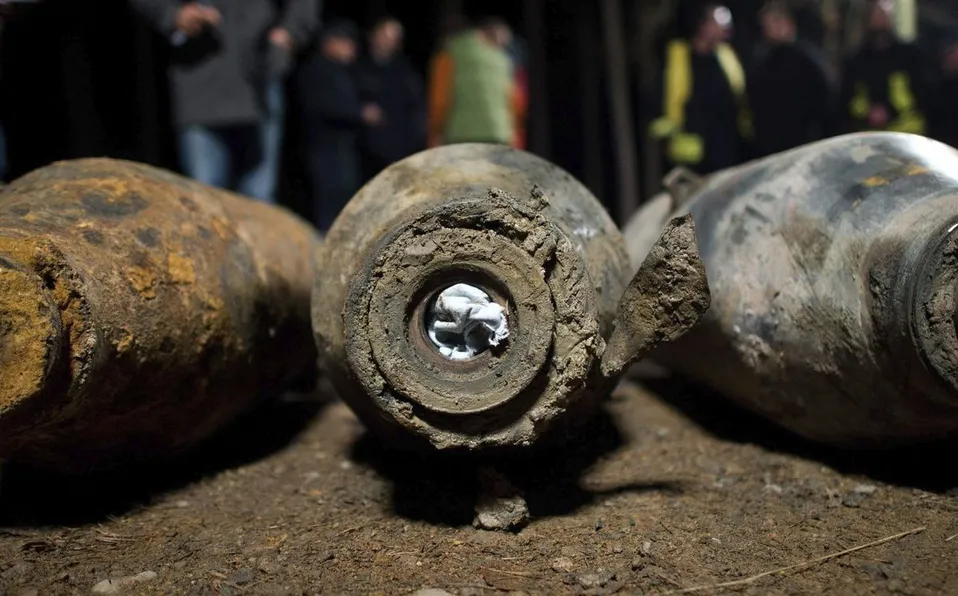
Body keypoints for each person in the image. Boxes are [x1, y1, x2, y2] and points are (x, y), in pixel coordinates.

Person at [130, 0, 319, 203]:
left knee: (258, 200)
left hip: (259, 73)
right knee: (205, 197)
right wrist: (172, 14)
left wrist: (290, 32)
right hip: (199, 74)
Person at [298, 19, 381, 232]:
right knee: (329, 206)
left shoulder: (347, 72)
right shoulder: (316, 70)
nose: (351, 49)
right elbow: (322, 106)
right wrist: (359, 113)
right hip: (324, 150)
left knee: (347, 205)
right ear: (330, 43)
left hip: (345, 149)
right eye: (346, 43)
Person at [650, 2, 752, 175]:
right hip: (691, 151)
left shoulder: (726, 55)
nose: (725, 30)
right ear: (703, 25)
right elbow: (661, 100)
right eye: (718, 25)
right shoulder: (679, 56)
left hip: (726, 147)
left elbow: (739, 95)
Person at [748, 1, 837, 157]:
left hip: (805, 147)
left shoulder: (808, 59)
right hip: (771, 151)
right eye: (766, 24)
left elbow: (826, 100)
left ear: (788, 22)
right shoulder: (762, 61)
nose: (770, 29)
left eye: (774, 21)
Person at [426, 16, 526, 148]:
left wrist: (435, 132)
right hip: (499, 134)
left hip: (460, 134)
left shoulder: (449, 53)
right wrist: (514, 136)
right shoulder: (503, 60)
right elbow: (516, 102)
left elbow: (440, 97)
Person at [840, 0, 931, 135]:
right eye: (875, 15)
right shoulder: (856, 60)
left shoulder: (910, 56)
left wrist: (890, 111)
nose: (879, 19)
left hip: (907, 136)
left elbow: (923, 94)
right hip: (869, 137)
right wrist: (869, 113)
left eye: (883, 15)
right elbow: (848, 99)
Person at [356, 16, 426, 181]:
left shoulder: (406, 72)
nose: (388, 41)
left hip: (396, 152)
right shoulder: (356, 67)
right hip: (361, 153)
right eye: (384, 35)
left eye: (393, 38)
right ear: (372, 35)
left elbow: (415, 110)